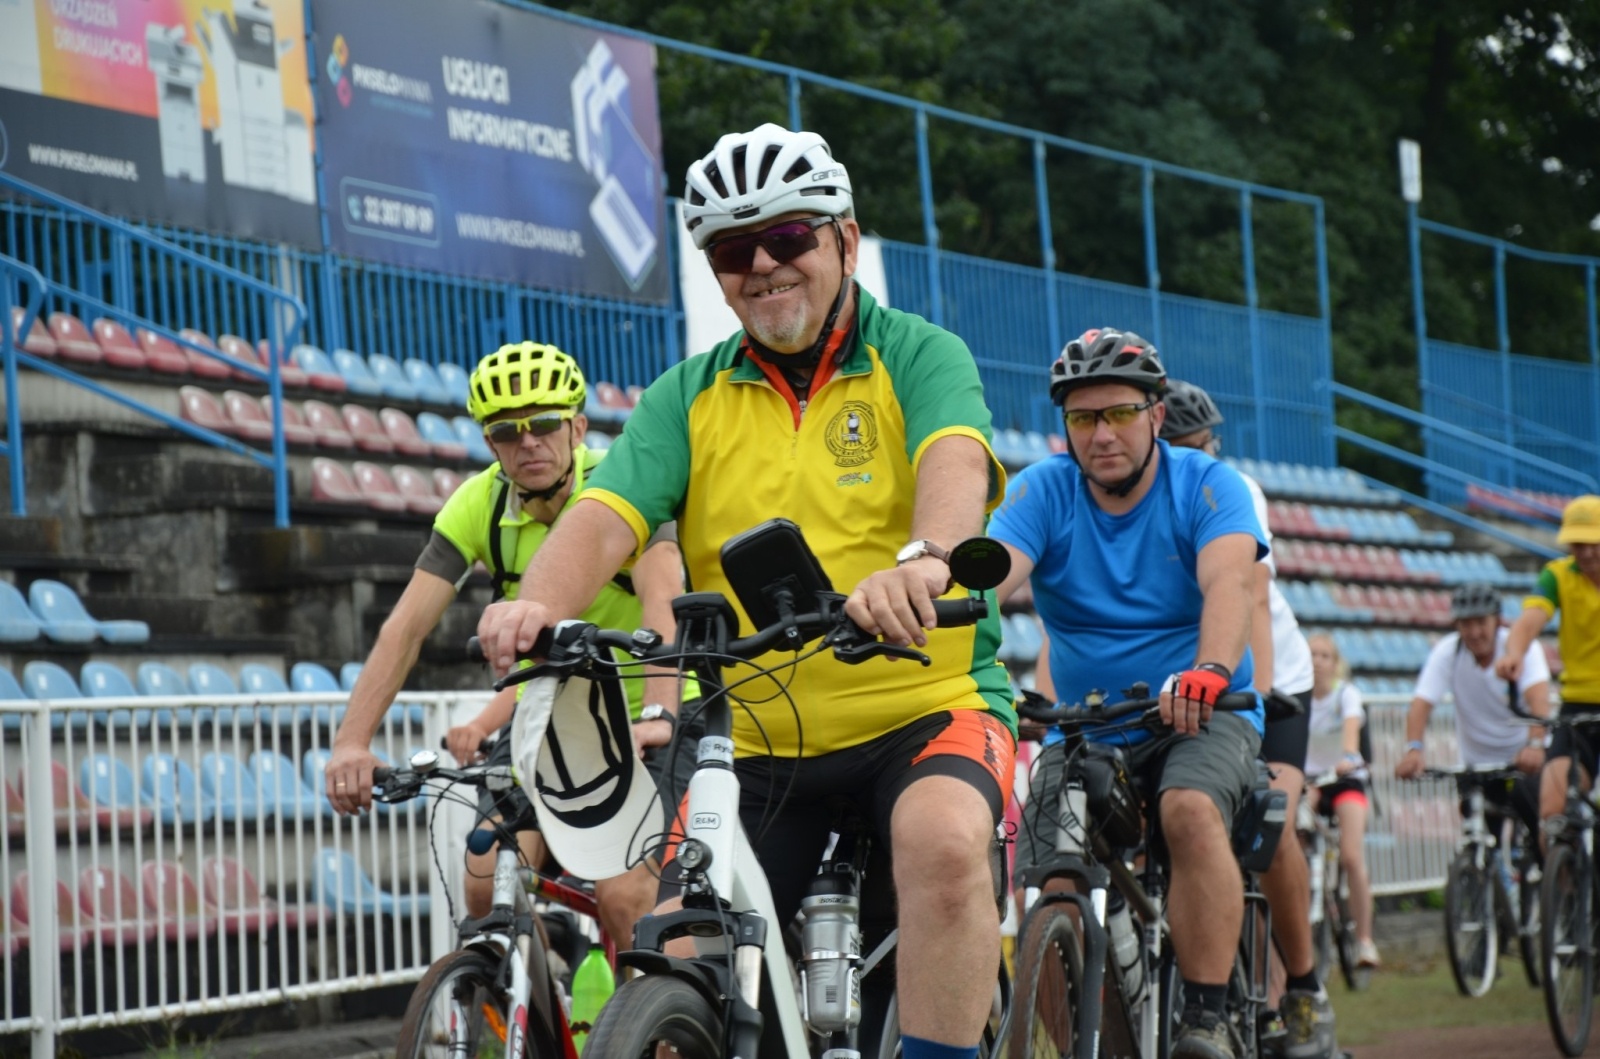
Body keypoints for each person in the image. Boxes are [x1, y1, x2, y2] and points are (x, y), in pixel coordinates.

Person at [476, 123, 1016, 1059]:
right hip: (759, 735)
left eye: (789, 236)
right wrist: (537, 603)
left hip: (927, 705)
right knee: (679, 946)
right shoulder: (686, 395)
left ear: (846, 240)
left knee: (941, 843)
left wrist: (926, 561)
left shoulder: (921, 355)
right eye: (733, 251)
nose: (763, 265)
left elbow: (954, 462)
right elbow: (604, 515)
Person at [323, 342, 696, 944]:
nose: (528, 443)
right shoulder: (477, 504)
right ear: (489, 444)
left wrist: (658, 714)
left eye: (544, 424)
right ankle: (541, 980)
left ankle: (648, 1006)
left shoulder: (623, 483)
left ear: (577, 427)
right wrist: (350, 742)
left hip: (651, 713)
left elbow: (663, 602)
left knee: (626, 895)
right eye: (506, 432)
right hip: (551, 719)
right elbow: (404, 631)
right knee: (483, 884)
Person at [989, 329, 1282, 1059]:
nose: (1102, 434)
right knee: (1049, 878)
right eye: (1083, 418)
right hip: (1086, 726)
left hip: (1202, 713)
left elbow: (1230, 584)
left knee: (1188, 809)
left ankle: (1205, 1018)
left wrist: (1210, 669)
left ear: (1156, 414)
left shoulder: (1208, 485)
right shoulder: (1042, 489)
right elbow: (991, 575)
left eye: (1120, 413)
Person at [1158, 380, 1329, 1059]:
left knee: (1268, 821)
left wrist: (1253, 692)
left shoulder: (1232, 489)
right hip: (1179, 680)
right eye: (1178, 445)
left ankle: (1305, 987)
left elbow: (1249, 595)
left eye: (1200, 446)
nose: (1191, 457)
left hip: (1268, 675)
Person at [1396, 583, 1550, 869]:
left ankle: (1549, 878)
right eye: (1466, 624)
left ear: (1497, 621)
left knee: (1535, 818)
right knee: (1477, 827)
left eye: (1481, 622)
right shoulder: (1449, 652)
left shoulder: (1520, 648)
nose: (1474, 632)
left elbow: (1539, 700)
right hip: (1476, 763)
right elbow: (1421, 704)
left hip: (1521, 758)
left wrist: (1535, 744)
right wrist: (1413, 749)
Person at [1496, 495, 1600, 824]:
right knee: (1553, 812)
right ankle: (1559, 854)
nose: (1586, 552)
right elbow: (1529, 621)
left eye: (1594, 543)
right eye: (1578, 544)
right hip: (1577, 706)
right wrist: (1514, 654)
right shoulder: (1557, 575)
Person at [1303, 633, 1376, 967]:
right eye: (1312, 654)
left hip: (1345, 779)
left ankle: (1365, 940)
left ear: (1335, 663)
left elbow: (1351, 730)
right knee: (1293, 838)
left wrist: (1348, 755)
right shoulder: (1298, 697)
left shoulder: (1346, 694)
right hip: (1312, 782)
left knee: (1350, 856)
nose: (1317, 661)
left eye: (1324, 655)